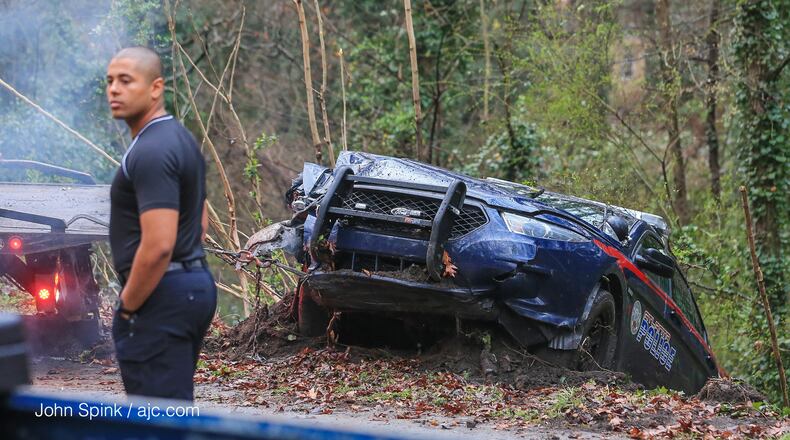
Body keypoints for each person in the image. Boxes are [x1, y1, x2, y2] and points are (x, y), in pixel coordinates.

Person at [106, 46, 216, 401]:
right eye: (109, 81)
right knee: (172, 412)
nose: (114, 90)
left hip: (161, 294)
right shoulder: (181, 140)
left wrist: (127, 307)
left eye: (126, 80)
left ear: (156, 88)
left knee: (156, 420)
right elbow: (200, 223)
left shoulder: (151, 150)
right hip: (191, 285)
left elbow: (159, 245)